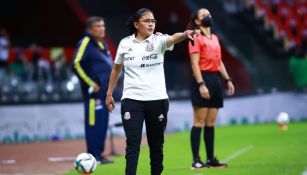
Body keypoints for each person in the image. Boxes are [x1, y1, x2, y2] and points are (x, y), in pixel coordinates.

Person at [105, 8, 199, 175]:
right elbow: (116, 69)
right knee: (133, 143)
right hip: (132, 100)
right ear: (136, 24)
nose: (151, 24)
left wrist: (185, 34)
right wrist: (109, 93)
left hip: (157, 100)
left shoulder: (159, 40)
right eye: (147, 21)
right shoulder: (125, 43)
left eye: (153, 21)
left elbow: (173, 38)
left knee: (156, 145)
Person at [187, 8, 235, 169]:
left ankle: (211, 159)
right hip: (203, 78)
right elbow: (194, 63)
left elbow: (219, 61)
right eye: (204, 15)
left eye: (209, 14)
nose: (208, 16)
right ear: (197, 21)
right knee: (199, 121)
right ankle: (196, 161)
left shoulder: (214, 37)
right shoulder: (195, 37)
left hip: (215, 79)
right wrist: (201, 84)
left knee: (210, 122)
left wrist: (227, 79)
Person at [72, 16, 113, 164]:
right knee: (93, 123)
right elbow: (76, 64)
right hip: (93, 94)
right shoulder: (86, 43)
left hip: (104, 93)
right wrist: (91, 84)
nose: (102, 28)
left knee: (102, 122)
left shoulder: (102, 45)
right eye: (98, 26)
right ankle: (93, 154)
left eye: (103, 26)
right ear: (89, 30)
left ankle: (99, 155)